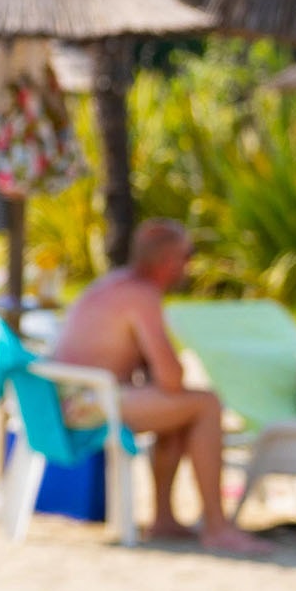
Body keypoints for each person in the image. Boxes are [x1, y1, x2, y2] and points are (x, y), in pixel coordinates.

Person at [45, 219, 270, 557]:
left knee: (183, 411)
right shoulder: (141, 296)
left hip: (59, 398)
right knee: (205, 405)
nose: (189, 265)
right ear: (168, 261)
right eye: (188, 255)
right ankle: (216, 526)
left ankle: (165, 518)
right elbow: (171, 379)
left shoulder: (115, 284)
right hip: (84, 402)